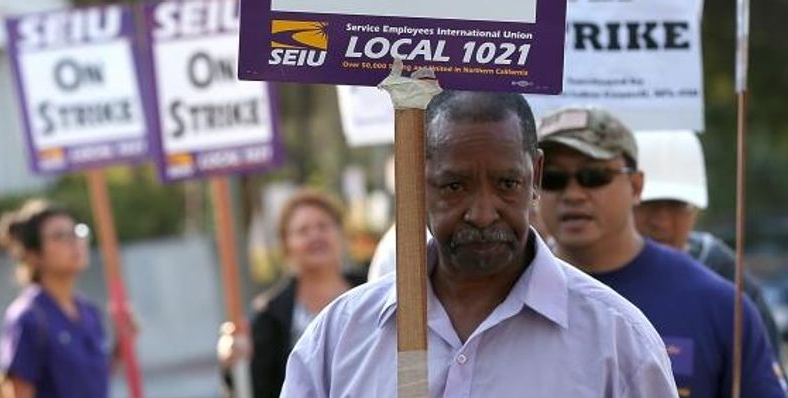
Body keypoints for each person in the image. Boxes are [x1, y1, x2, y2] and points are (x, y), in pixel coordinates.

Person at [281, 91, 677, 397]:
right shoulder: (339, 339)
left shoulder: (617, 341)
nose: (484, 214)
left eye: (507, 184)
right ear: (416, 181)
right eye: (455, 186)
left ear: (535, 176)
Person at [537, 107, 788, 398]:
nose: (573, 194)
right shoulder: (498, 298)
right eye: (552, 178)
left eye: (594, 176)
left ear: (636, 185)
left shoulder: (718, 307)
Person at [631, 131, 788, 377]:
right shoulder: (590, 273)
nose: (660, 220)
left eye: (675, 206)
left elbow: (772, 377)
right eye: (648, 205)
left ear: (694, 210)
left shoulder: (723, 274)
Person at [219, 190, 366, 398]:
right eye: (303, 231)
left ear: (340, 233)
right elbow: (258, 389)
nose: (315, 236)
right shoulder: (270, 316)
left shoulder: (374, 292)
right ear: (286, 244)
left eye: (323, 226)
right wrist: (235, 366)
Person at [0, 199, 117, 398]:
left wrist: (121, 346)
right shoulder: (28, 318)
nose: (75, 242)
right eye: (59, 236)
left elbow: (88, 381)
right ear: (34, 255)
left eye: (77, 232)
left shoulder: (90, 312)